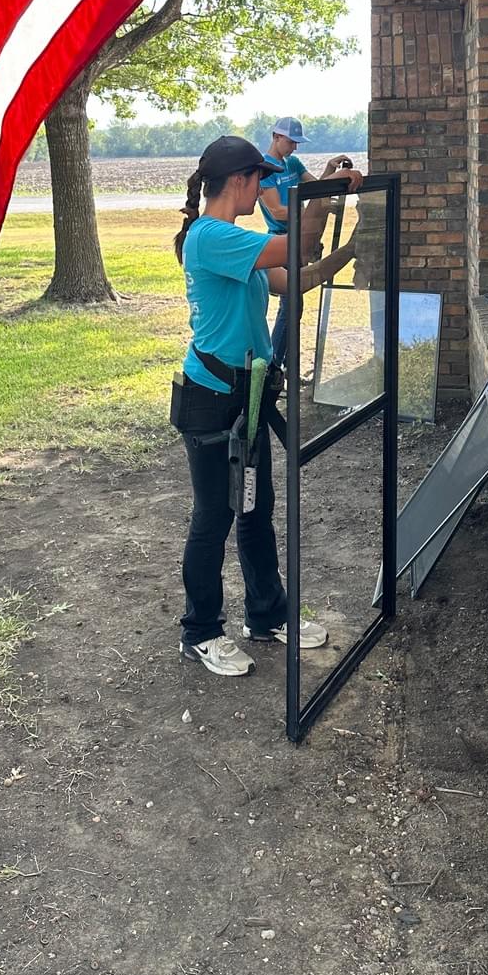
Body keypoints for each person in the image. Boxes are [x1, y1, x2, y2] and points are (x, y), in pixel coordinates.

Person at [171, 135, 357, 677]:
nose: (266, 188)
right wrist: (322, 194)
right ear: (241, 181)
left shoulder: (235, 242)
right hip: (209, 400)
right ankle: (201, 630)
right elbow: (295, 245)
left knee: (254, 508)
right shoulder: (209, 238)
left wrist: (351, 248)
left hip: (246, 396)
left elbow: (295, 277)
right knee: (214, 516)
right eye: (261, 179)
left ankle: (267, 614)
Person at [258, 117, 363, 366]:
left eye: (297, 143)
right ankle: (275, 363)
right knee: (291, 303)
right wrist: (308, 219)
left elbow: (314, 189)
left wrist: (330, 172)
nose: (294, 148)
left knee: (293, 306)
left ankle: (280, 363)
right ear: (276, 137)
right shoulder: (265, 170)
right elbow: (277, 211)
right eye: (291, 142)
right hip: (281, 239)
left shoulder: (292, 163)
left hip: (302, 237)